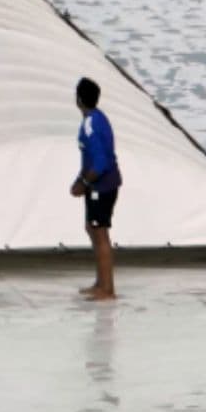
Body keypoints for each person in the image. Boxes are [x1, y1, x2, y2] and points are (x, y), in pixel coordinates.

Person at [71, 77, 122, 300]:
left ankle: (106, 289)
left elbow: (100, 163)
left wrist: (84, 183)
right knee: (92, 229)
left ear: (79, 99)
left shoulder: (91, 124)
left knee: (100, 234)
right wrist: (79, 179)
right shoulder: (98, 118)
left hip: (101, 186)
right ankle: (101, 282)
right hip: (101, 184)